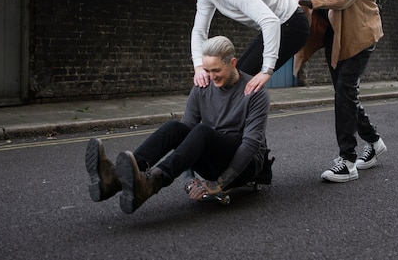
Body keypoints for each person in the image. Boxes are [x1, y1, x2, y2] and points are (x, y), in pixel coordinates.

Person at [84, 36, 272, 213]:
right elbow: (186, 137)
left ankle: (152, 182)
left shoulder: (255, 91)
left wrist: (219, 185)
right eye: (206, 70)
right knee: (175, 127)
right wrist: (189, 179)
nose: (211, 76)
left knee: (202, 131)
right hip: (212, 159)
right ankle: (114, 179)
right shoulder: (202, 86)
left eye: (216, 70)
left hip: (246, 165)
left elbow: (250, 145)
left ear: (232, 63)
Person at [289, 0, 387, 183]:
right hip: (332, 37)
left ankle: (347, 161)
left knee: (345, 90)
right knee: (345, 94)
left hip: (359, 34)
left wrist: (308, 0)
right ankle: (374, 142)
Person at [173, 0, 310, 96]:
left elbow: (270, 21)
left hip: (293, 24)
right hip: (279, 23)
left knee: (239, 80)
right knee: (236, 78)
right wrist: (199, 67)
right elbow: (199, 31)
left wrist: (266, 71)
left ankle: (245, 117)